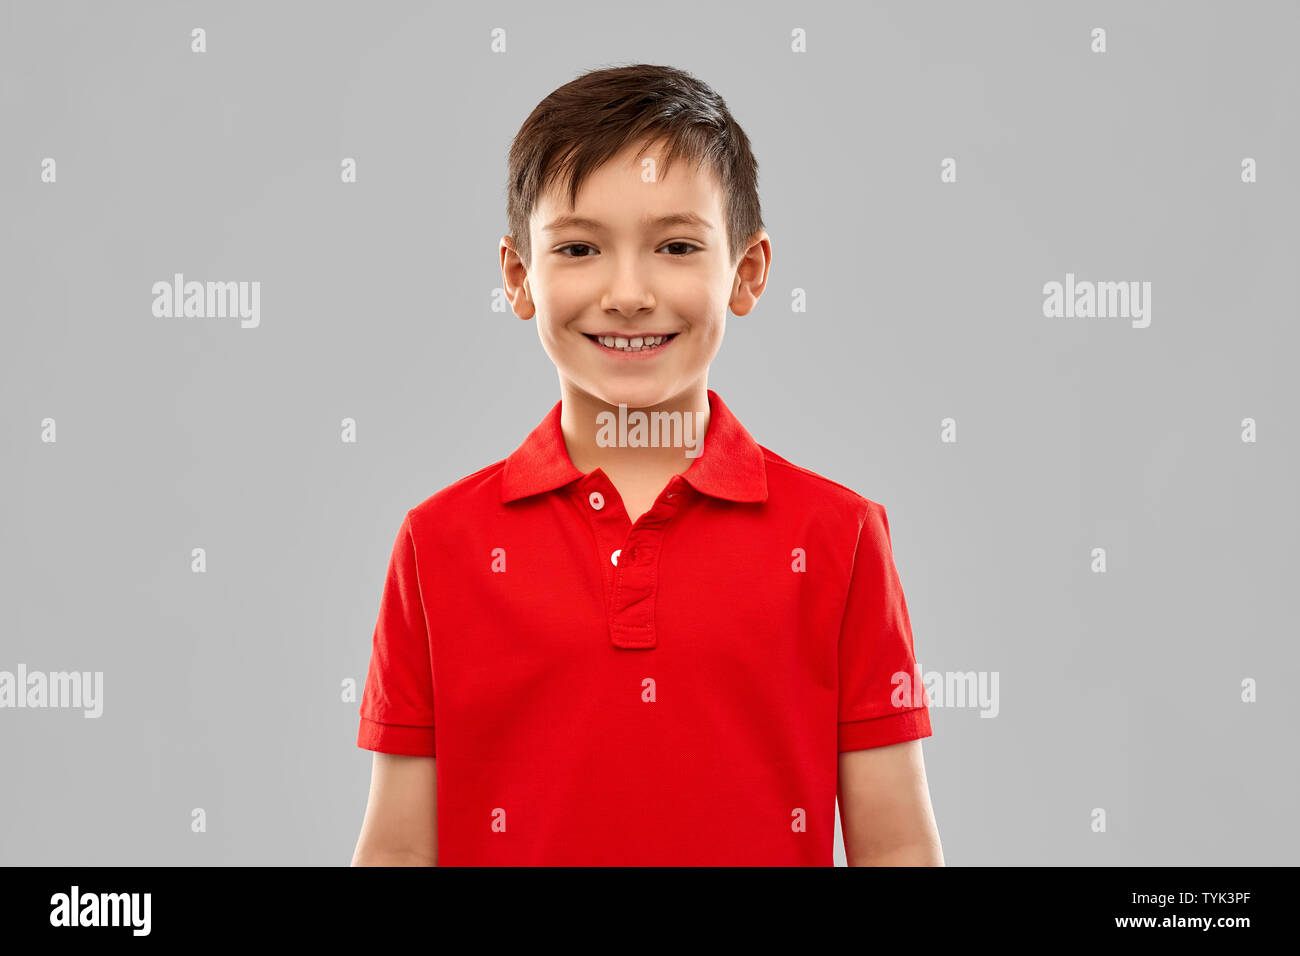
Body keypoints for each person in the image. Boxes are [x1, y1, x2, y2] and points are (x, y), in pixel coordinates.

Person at [351, 63, 942, 866]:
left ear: (748, 271)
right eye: (580, 247)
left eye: (675, 245)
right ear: (519, 277)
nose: (628, 292)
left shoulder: (840, 539)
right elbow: (397, 854)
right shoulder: (439, 543)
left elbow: (898, 849)